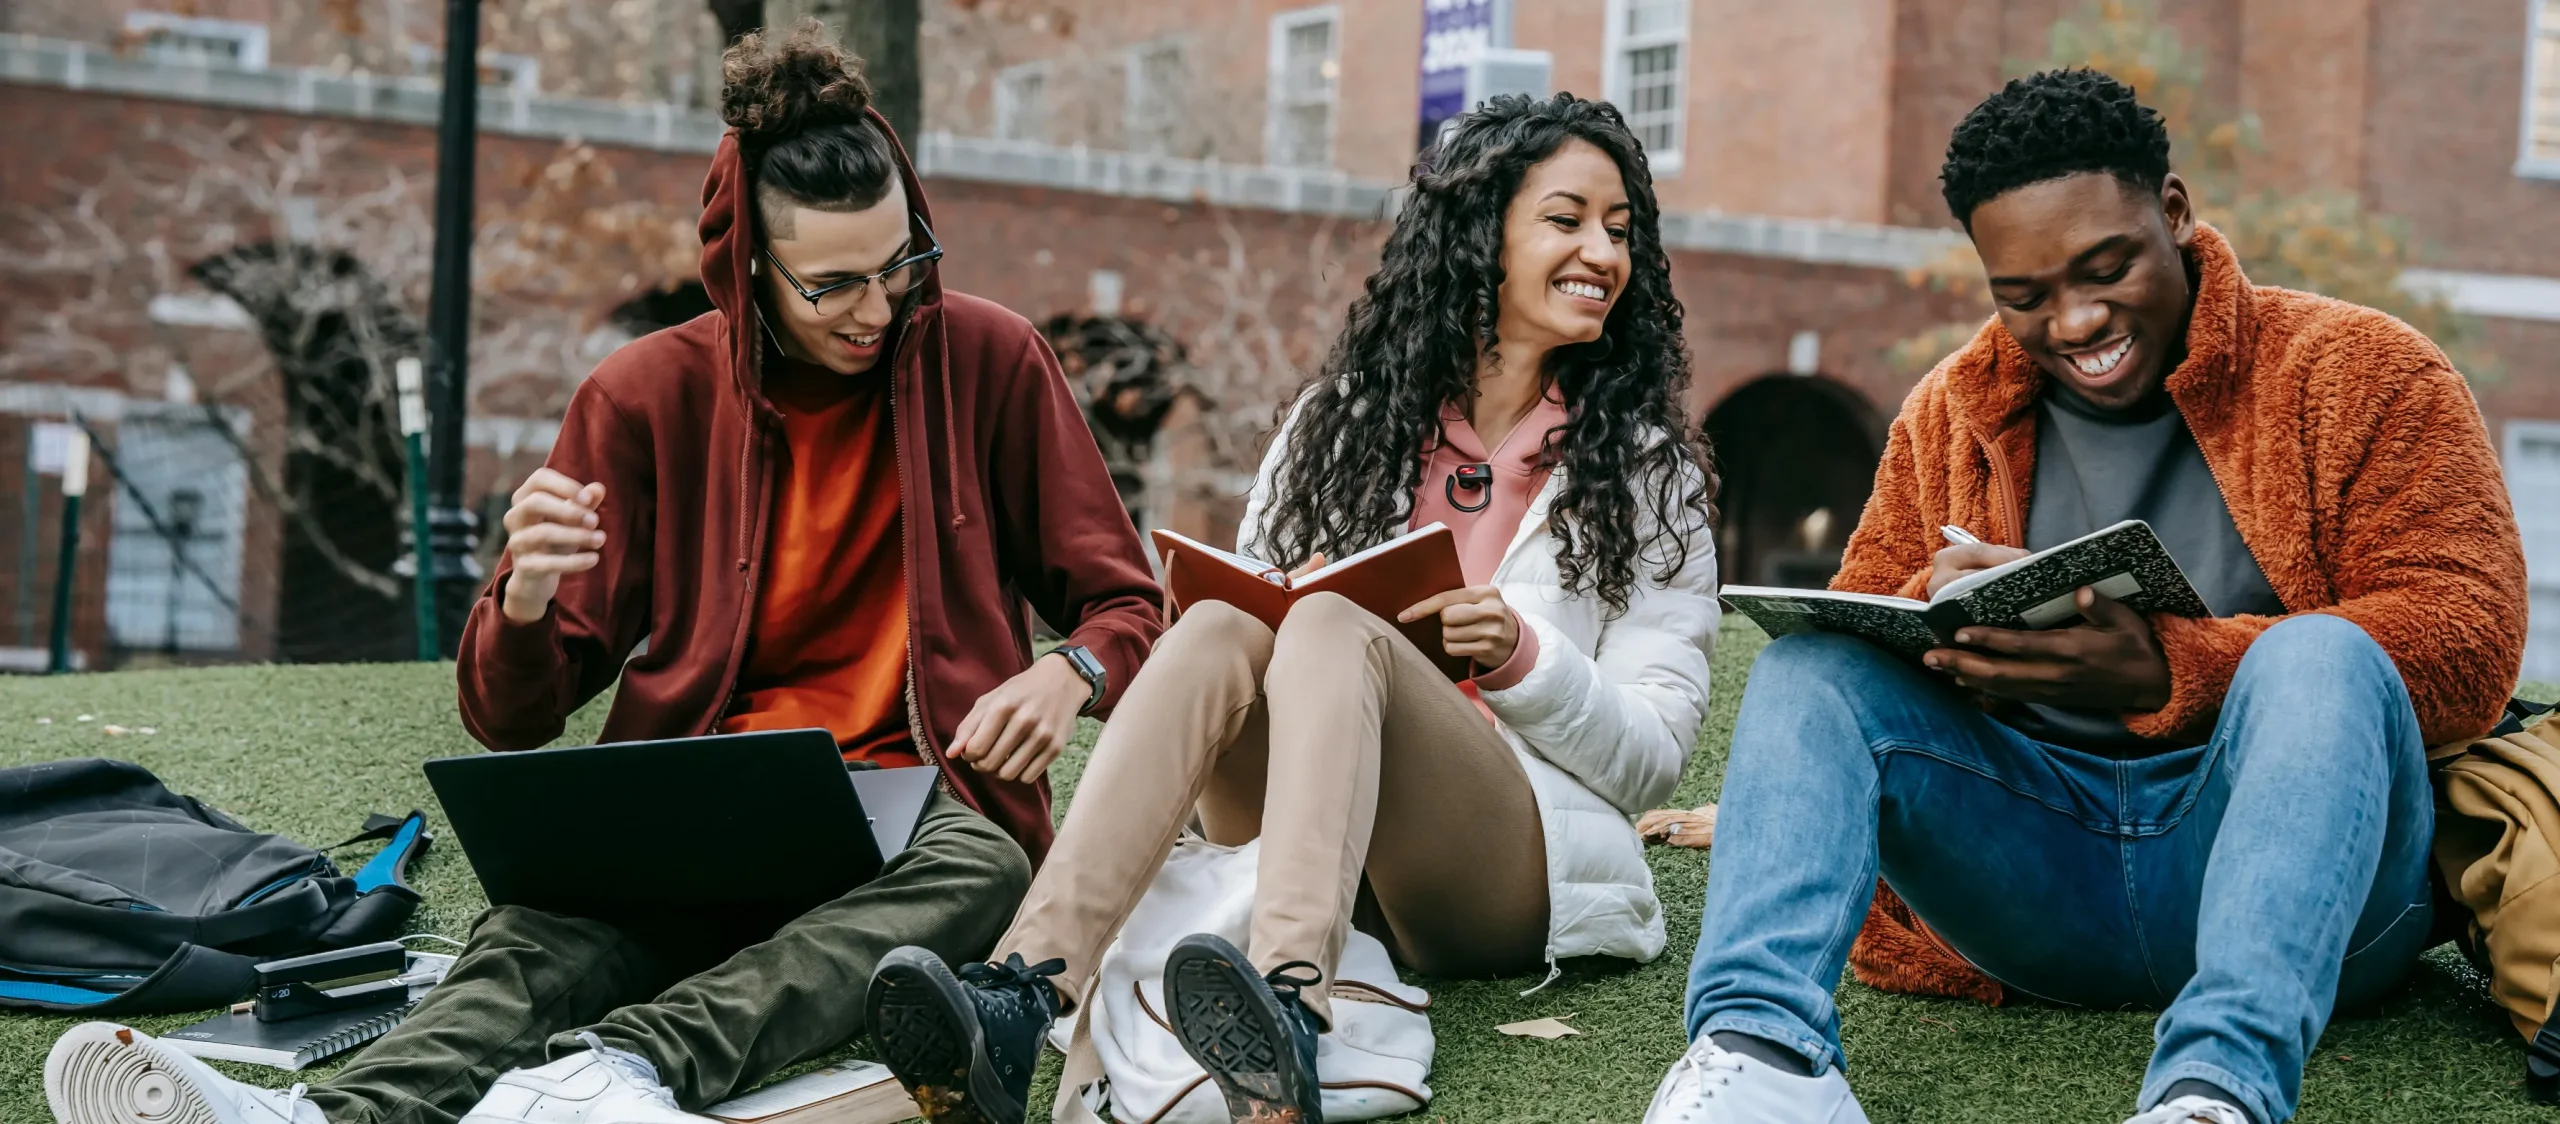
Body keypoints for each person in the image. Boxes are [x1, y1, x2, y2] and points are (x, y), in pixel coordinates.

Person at [41, 23, 1162, 1124]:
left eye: (900, 264)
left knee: (984, 866)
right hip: (695, 800)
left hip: (918, 804)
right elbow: (510, 716)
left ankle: (617, 1072)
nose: (879, 308)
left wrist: (1069, 669)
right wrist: (522, 596)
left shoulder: (994, 359)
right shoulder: (640, 395)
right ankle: (328, 1115)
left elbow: (1127, 603)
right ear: (748, 267)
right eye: (833, 285)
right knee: (537, 932)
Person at [1645, 68, 2527, 1124]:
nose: (2073, 320)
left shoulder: (2366, 371)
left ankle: (2215, 1090)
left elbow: (2468, 639)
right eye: (2023, 295)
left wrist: (2174, 669)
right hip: (2034, 874)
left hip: (2309, 893)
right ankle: (1762, 1059)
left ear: (2173, 212)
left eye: (2104, 269)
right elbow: (1864, 623)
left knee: (2322, 655)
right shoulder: (1949, 411)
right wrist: (1937, 607)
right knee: (1809, 667)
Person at [856, 92, 1724, 1124]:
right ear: (1476, 234)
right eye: (1567, 218)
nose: (1602, 252)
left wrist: (1521, 655)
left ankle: (1289, 1005)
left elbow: (1655, 751)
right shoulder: (1338, 422)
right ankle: (1020, 989)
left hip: (1500, 861)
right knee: (1231, 621)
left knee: (1327, 622)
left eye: (1620, 231)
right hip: (1303, 828)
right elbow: (1244, 635)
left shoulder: (1643, 470)